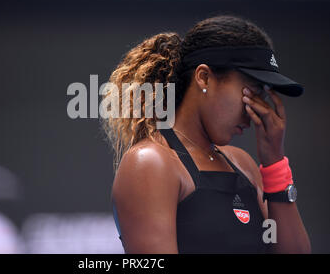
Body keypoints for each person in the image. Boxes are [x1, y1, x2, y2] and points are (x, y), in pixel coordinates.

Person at [101, 15, 311, 253]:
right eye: (250, 91)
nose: (255, 110)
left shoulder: (243, 164)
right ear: (204, 77)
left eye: (261, 97)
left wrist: (274, 163)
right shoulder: (151, 163)